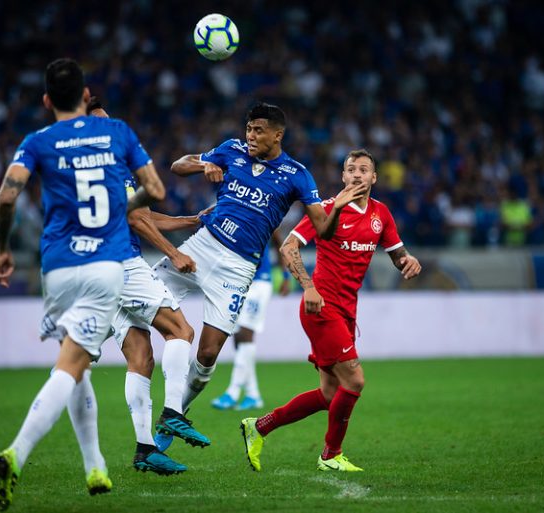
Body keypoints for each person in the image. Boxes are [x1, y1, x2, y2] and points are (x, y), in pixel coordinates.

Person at [0, 58, 165, 511]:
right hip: (107, 264)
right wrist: (120, 208)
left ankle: (95, 465)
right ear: (87, 96)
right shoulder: (118, 133)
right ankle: (17, 453)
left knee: (74, 360)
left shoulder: (37, 141)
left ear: (47, 100)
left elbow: (7, 196)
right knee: (72, 365)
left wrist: (3, 249)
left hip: (60, 265)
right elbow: (155, 190)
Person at [153, 102, 368, 451]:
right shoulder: (230, 150)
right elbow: (178, 166)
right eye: (248, 129)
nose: (250, 136)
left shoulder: (297, 174)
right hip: (203, 245)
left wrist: (340, 203)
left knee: (208, 354)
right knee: (140, 295)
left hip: (239, 268)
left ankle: (176, 412)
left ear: (277, 134)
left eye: (258, 131)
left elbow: (324, 230)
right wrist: (203, 163)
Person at [240, 149, 422, 472]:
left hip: (347, 311)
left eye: (363, 170)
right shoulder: (325, 209)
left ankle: (259, 426)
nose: (356, 175)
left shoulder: (381, 214)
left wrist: (408, 260)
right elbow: (288, 247)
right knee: (355, 380)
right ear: (342, 176)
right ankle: (330, 454)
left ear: (374, 177)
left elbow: (398, 254)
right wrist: (308, 287)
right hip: (321, 306)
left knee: (329, 394)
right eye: (350, 169)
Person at [86, 99, 209, 474]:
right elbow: (137, 219)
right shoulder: (110, 164)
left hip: (93, 267)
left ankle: (144, 450)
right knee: (181, 330)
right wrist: (174, 254)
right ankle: (174, 412)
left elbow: (144, 214)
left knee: (141, 357)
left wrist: (188, 219)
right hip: (120, 261)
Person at [210, 235, 290, 411]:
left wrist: (285, 274)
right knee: (238, 338)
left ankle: (232, 392)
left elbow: (280, 243)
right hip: (238, 282)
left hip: (259, 283)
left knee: (245, 334)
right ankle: (253, 395)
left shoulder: (269, 215)